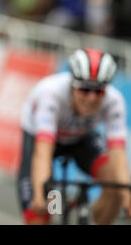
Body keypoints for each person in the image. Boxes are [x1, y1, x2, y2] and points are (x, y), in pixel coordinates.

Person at [17, 48, 131, 225]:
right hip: (45, 142)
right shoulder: (51, 93)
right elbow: (42, 152)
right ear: (72, 84)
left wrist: (126, 196)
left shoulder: (114, 101)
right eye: (85, 89)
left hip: (81, 138)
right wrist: (41, 195)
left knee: (114, 185)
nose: (91, 98)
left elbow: (118, 153)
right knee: (42, 210)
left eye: (99, 91)